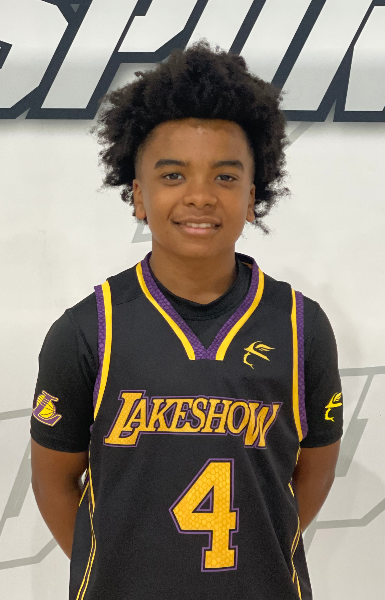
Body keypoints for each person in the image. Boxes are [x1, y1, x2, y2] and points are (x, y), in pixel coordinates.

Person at [30, 39, 343, 600]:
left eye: (225, 177)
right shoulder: (88, 330)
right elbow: (54, 482)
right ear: (138, 196)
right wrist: (118, 572)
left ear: (253, 196)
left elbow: (311, 476)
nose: (200, 196)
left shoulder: (301, 327)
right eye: (173, 176)